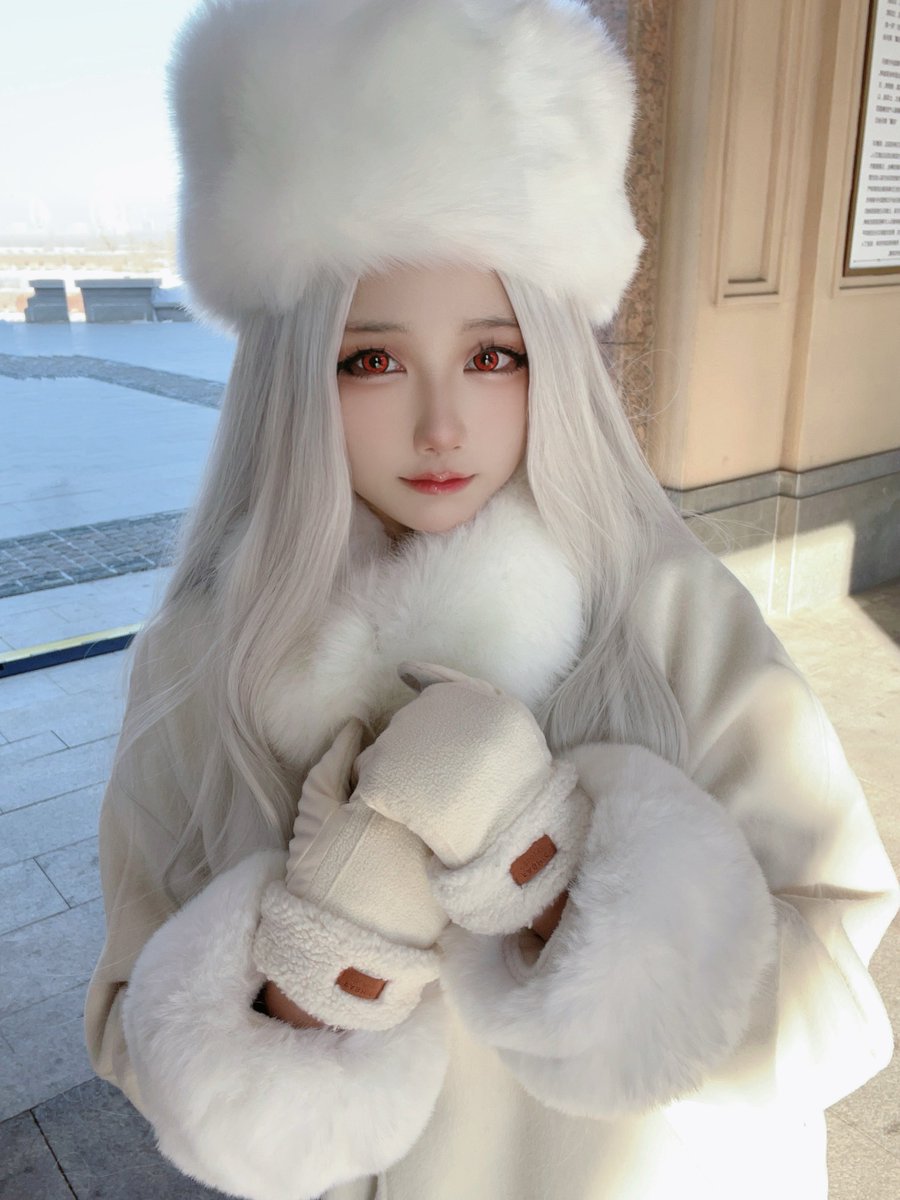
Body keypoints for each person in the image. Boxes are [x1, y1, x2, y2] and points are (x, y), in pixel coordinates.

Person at [84, 1, 898, 1198]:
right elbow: (138, 1034)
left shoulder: (668, 610)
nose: (442, 424)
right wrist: (321, 960)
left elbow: (832, 974)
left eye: (493, 353)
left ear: (552, 363)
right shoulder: (204, 659)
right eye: (370, 359)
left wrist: (540, 864)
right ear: (291, 376)